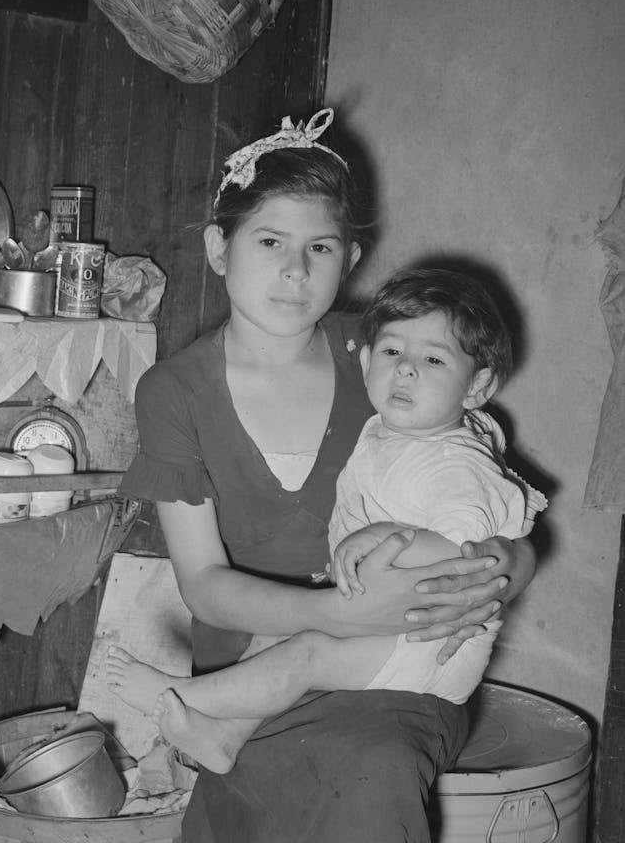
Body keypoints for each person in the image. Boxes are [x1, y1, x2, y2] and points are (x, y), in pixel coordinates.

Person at [112, 109, 537, 843]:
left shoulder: (384, 354)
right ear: (219, 247)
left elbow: (484, 494)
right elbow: (204, 584)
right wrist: (329, 615)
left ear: (351, 259)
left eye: (321, 247)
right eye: (270, 242)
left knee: (367, 774)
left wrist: (510, 564)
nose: (295, 270)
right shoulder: (175, 392)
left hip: (396, 671)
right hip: (250, 671)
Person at [107, 266, 546, 760]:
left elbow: (464, 552)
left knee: (307, 653)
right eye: (393, 352)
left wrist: (388, 535)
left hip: (429, 644)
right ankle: (224, 737)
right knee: (275, 632)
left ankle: (179, 697)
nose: (405, 369)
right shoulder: (396, 430)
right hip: (381, 614)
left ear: (477, 387)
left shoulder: (453, 461)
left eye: (434, 360)